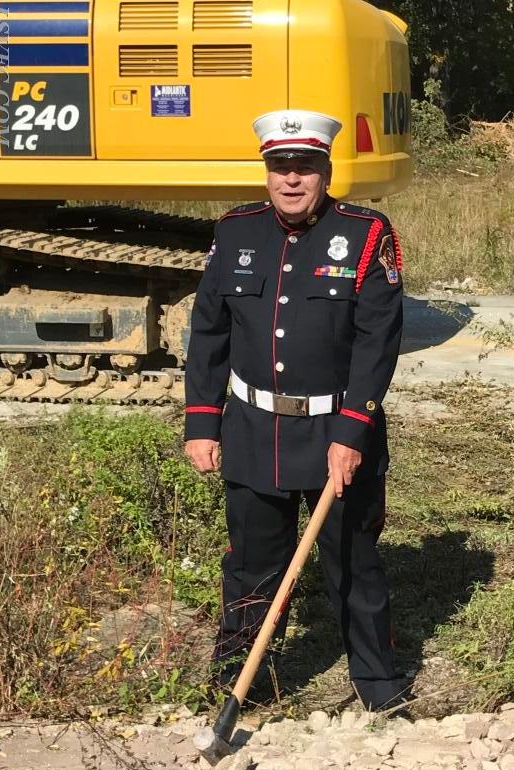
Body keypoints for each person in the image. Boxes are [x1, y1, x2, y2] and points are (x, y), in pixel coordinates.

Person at [184, 109, 404, 711]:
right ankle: (239, 684)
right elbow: (208, 333)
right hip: (253, 429)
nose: (291, 178)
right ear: (266, 171)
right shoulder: (234, 232)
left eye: (304, 166)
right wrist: (202, 421)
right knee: (250, 564)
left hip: (337, 431)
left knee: (352, 562)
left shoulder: (366, 234)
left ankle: (379, 685)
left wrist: (352, 431)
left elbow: (376, 340)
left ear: (326, 170)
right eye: (280, 166)